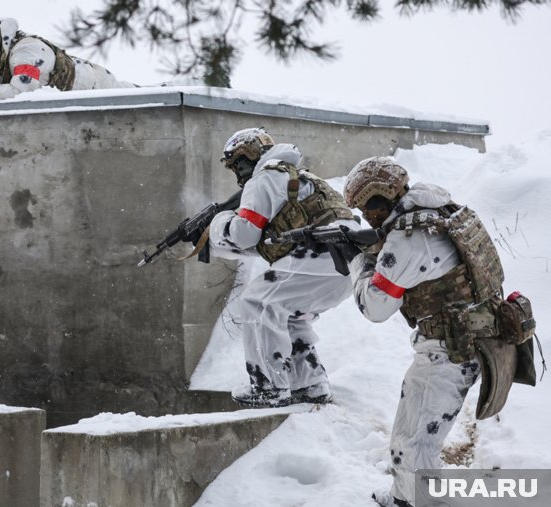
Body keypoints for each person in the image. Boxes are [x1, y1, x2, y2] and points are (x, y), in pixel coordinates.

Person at [343, 156, 515, 507]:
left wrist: (358, 261)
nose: (367, 217)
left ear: (379, 201)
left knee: (419, 445)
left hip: (451, 352)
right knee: (406, 433)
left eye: (367, 209)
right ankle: (404, 498)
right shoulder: (439, 211)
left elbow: (375, 308)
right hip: (452, 345)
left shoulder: (410, 240)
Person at [205, 127, 358, 408]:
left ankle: (268, 386)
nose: (237, 173)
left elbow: (245, 234)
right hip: (343, 263)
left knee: (257, 304)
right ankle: (309, 383)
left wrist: (217, 226)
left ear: (248, 158)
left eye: (238, 164)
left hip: (319, 255)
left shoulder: (265, 177)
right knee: (289, 315)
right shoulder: (298, 176)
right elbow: (266, 241)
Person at [0, 18, 136, 102]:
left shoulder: (26, 51)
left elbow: (21, 91)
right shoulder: (1, 62)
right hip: (79, 98)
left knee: (138, 97)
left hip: (98, 87)